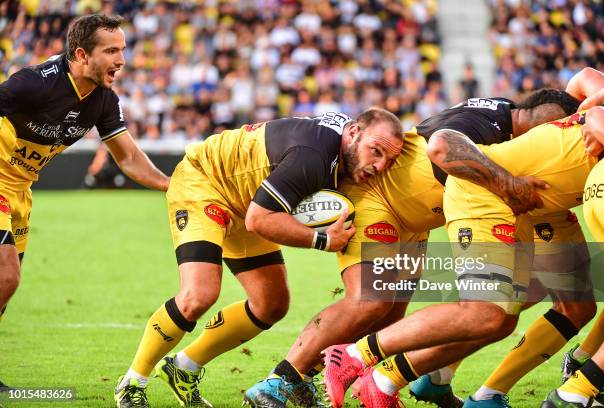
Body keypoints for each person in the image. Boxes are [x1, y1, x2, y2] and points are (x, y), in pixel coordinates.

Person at [243, 89, 581, 408]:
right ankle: (279, 380)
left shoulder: (503, 119)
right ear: (543, 122)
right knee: (370, 300)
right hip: (378, 198)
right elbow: (440, 140)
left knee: (396, 315)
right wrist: (509, 185)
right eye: (556, 131)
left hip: (415, 221)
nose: (554, 142)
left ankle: (383, 382)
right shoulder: (490, 122)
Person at [321, 71, 604, 408]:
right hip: (487, 193)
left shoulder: (561, 113)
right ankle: (355, 356)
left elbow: (588, 82)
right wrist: (595, 112)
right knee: (486, 314)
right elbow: (599, 108)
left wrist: (598, 100)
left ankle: (405, 381)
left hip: (546, 204)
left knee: (560, 307)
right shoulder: (500, 121)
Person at [113, 108, 405, 408]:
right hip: (206, 183)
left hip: (250, 200)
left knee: (271, 303)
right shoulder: (312, 157)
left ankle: (183, 368)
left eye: (390, 159)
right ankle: (133, 382)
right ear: (354, 133)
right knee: (198, 295)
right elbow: (259, 220)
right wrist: (323, 239)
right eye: (376, 151)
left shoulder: (342, 149)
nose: (380, 165)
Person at [0, 14, 169, 390]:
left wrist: (170, 185)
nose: (121, 59)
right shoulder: (32, 84)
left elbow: (127, 158)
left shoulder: (104, 101)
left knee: (5, 289)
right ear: (80, 54)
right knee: (5, 276)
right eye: (111, 51)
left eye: (123, 50)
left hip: (20, 193)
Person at [541, 104, 604, 408]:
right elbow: (594, 109)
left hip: (599, 187)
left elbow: (593, 102)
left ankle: (581, 365)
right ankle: (574, 392)